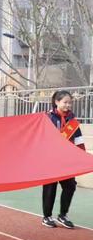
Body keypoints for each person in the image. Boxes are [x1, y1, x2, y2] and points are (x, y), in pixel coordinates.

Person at [42, 90, 85, 229]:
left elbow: (78, 140)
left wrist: (81, 156)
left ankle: (63, 215)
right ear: (57, 102)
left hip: (66, 161)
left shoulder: (72, 121)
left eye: (70, 102)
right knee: (50, 187)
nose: (68, 105)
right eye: (65, 102)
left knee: (70, 186)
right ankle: (47, 216)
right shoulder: (47, 118)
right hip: (50, 159)